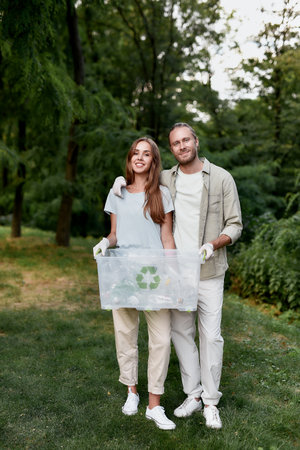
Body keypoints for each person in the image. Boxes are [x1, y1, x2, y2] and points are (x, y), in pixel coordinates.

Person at [112, 123, 243, 429]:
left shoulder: (221, 178)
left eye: (186, 140)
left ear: (196, 141)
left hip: (209, 271)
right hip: (176, 272)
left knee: (211, 336)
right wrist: (120, 179)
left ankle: (211, 402)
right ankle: (193, 395)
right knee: (181, 335)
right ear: (171, 149)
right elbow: (139, 181)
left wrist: (212, 245)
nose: (182, 146)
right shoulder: (167, 179)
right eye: (175, 143)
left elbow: (235, 224)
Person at [93, 137, 177, 430]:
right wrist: (105, 242)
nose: (140, 158)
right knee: (125, 333)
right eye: (135, 153)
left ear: (154, 161)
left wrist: (172, 273)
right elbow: (115, 233)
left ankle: (155, 404)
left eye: (146, 154)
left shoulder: (162, 195)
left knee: (161, 339)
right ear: (129, 159)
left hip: (154, 275)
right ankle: (131, 391)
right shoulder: (117, 192)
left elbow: (167, 238)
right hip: (124, 274)